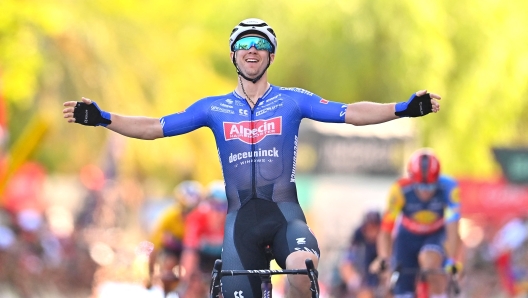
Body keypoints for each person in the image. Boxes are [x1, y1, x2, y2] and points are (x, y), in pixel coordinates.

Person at [62, 18, 441, 298]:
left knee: (302, 268)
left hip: (284, 216)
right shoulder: (213, 107)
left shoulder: (292, 99)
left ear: (271, 54)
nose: (252, 49)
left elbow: (351, 113)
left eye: (260, 43)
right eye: (244, 44)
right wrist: (103, 119)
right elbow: (154, 127)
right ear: (234, 55)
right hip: (240, 221)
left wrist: (404, 108)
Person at [370, 148, 461, 298]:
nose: (426, 192)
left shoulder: (449, 187)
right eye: (421, 186)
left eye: (431, 186)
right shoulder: (399, 190)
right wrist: (384, 258)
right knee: (400, 289)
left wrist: (452, 259)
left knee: (430, 263)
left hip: (435, 235)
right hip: (407, 238)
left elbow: (453, 227)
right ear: (411, 180)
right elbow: (386, 230)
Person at [146, 180, 203, 297]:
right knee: (169, 263)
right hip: (175, 247)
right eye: (185, 209)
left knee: (198, 270)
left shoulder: (202, 218)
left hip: (194, 247)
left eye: (193, 210)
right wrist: (151, 275)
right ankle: (166, 291)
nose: (188, 214)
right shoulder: (168, 217)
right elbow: (155, 246)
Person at [178, 180, 227, 298]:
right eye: (214, 205)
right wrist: (188, 280)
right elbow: (189, 252)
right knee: (194, 287)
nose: (217, 212)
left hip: (224, 258)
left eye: (222, 206)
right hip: (201, 257)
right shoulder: (197, 217)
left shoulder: (231, 220)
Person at [337, 211, 383, 298]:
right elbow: (346, 265)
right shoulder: (357, 243)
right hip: (361, 285)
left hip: (380, 285)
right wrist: (354, 282)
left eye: (375, 227)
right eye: (369, 228)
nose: (372, 232)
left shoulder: (386, 243)